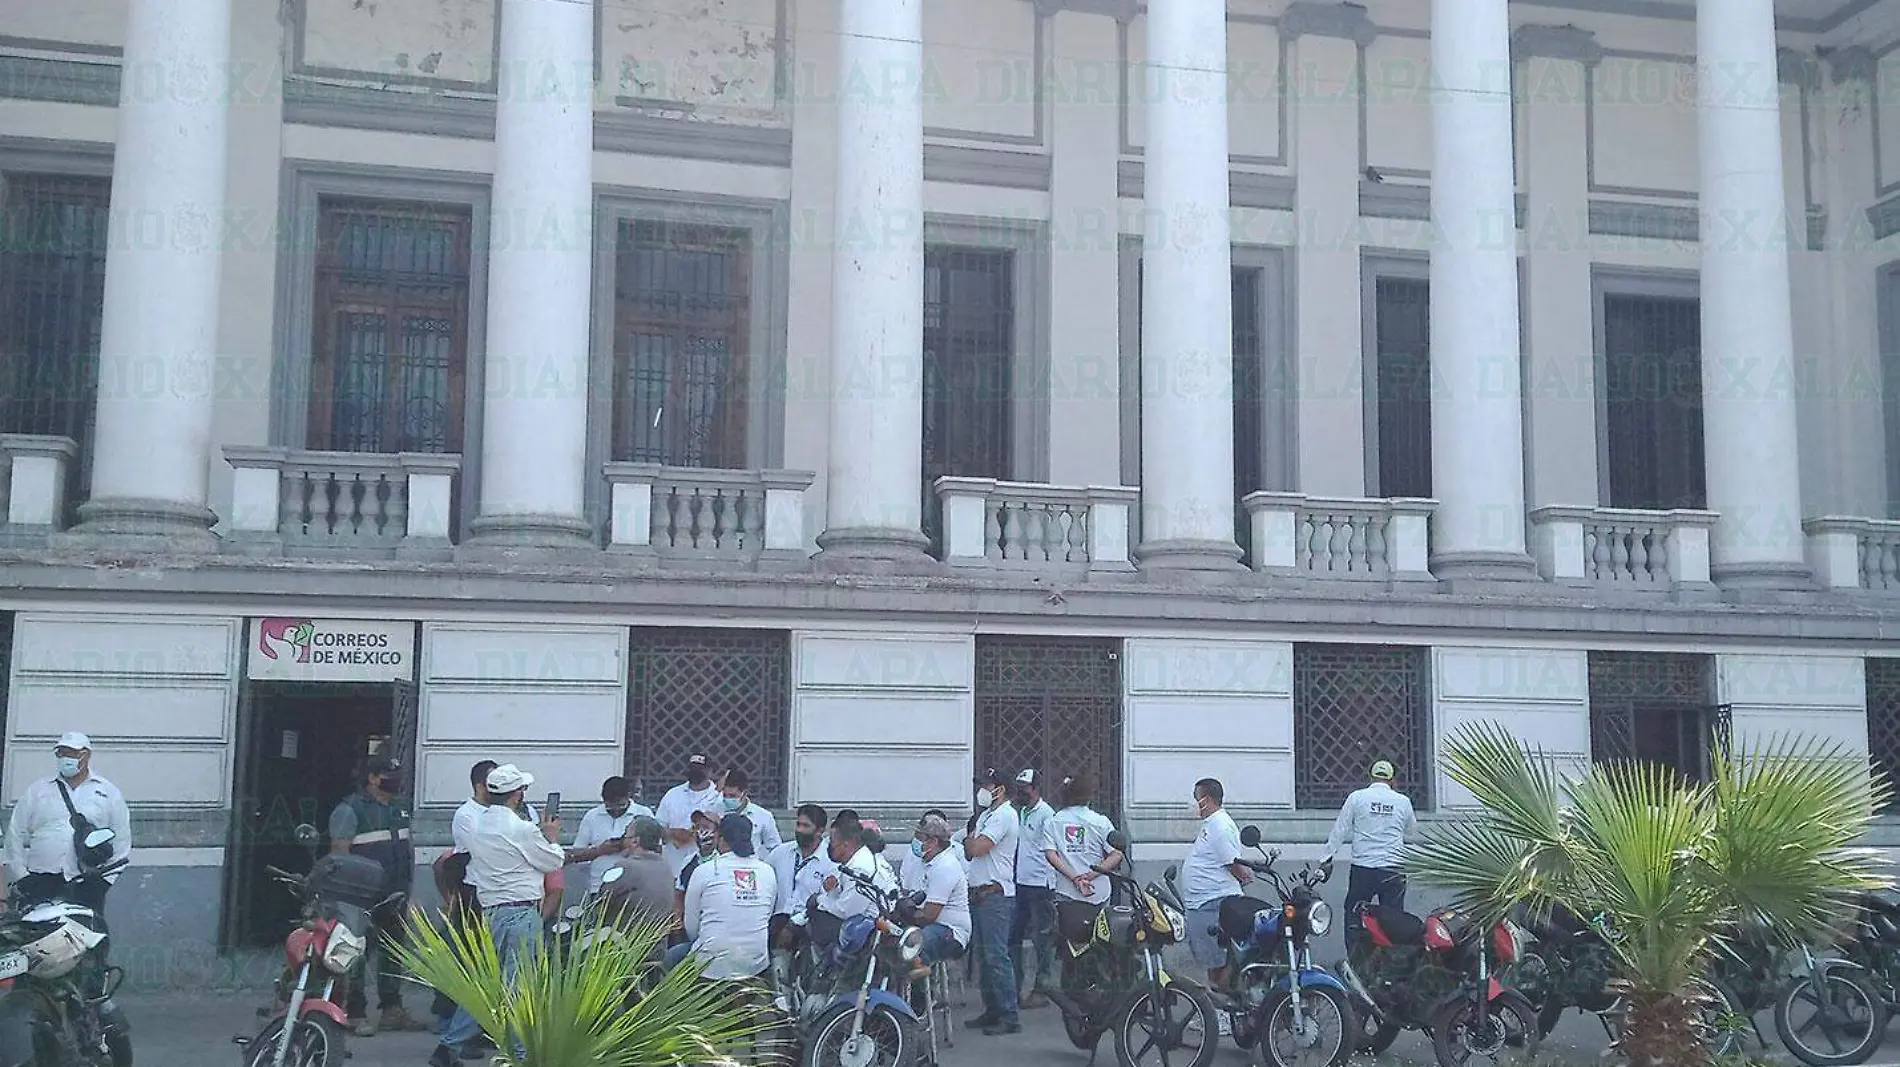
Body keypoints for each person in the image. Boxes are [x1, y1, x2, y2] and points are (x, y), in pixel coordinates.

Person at [430, 764, 564, 1067]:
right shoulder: (521, 829)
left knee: (491, 984)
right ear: (517, 794)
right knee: (518, 988)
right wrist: (552, 835)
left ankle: (450, 1046)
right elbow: (553, 860)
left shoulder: (478, 825)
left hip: (491, 910)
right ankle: (519, 1055)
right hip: (520, 910)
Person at [328, 755, 427, 1037]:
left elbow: (408, 850)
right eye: (387, 774)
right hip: (362, 897)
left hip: (395, 894)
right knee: (357, 953)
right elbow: (340, 855)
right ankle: (354, 1012)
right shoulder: (351, 809)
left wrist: (410, 891)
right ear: (372, 778)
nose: (393, 779)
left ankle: (392, 1010)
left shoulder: (400, 808)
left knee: (393, 953)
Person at [5, 732, 131, 919]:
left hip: (86, 882)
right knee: (35, 937)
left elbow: (122, 840)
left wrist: (104, 882)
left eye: (72, 753)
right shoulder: (38, 790)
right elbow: (15, 834)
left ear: (86, 755)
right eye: (62, 753)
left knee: (84, 938)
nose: (66, 758)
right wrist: (22, 876)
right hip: (40, 880)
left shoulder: (108, 792)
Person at [1320, 759, 1420, 946]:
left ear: (1371, 777)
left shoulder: (1357, 797)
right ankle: (1392, 958)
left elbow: (1340, 829)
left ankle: (1355, 957)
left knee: (1354, 914)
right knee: (1394, 918)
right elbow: (1412, 830)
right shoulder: (1403, 801)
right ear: (1392, 780)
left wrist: (1327, 857)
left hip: (1363, 869)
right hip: (1393, 869)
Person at [666, 813, 777, 980]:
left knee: (673, 956)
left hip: (711, 963)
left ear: (721, 838)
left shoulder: (705, 870)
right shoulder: (767, 871)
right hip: (755, 961)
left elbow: (692, 926)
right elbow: (767, 914)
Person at [1182, 778, 1251, 1014]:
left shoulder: (1220, 825)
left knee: (1218, 961)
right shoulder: (1212, 824)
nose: (1194, 804)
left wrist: (1245, 876)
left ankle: (1220, 1013)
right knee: (1213, 960)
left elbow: (1231, 863)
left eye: (1196, 798)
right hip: (1204, 901)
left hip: (1213, 901)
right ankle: (1216, 1010)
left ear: (1207, 800)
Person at [963, 768, 1022, 1037]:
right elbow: (969, 850)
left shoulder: (1004, 815)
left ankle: (1009, 1014)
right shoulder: (987, 815)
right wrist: (970, 838)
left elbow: (974, 848)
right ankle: (993, 1009)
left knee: (997, 956)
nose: (982, 790)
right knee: (985, 958)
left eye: (987, 785)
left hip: (995, 896)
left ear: (1000, 789)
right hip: (980, 894)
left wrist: (969, 838)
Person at [1010, 769, 1058, 1008]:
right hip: (1020, 882)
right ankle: (1015, 987)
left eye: (1025, 788)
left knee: (1042, 939)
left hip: (1041, 884)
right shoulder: (1018, 813)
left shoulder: (1046, 814)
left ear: (1036, 789)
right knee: (1014, 936)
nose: (1020, 793)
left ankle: (1042, 988)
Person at [567, 777, 651, 897]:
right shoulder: (592, 816)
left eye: (620, 805)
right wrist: (599, 850)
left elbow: (656, 850)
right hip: (599, 886)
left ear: (628, 796)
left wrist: (630, 846)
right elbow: (575, 854)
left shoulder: (643, 814)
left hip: (636, 887)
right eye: (610, 807)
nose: (616, 810)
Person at [596, 816, 682, 927]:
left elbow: (600, 903)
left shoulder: (625, 867)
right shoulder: (666, 868)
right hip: (659, 942)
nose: (622, 840)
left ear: (635, 841)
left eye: (625, 836)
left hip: (625, 941)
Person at [767, 803, 832, 949]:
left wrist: (793, 926)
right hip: (775, 922)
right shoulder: (780, 853)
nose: (799, 830)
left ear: (819, 831)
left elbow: (826, 901)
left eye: (805, 826)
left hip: (808, 927)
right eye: (798, 824)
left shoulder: (829, 860)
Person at [909, 815, 971, 965]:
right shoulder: (925, 863)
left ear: (933, 842)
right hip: (931, 925)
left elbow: (929, 915)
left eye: (919, 837)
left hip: (950, 931)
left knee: (912, 946)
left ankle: (918, 986)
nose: (915, 841)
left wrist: (908, 912)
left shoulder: (945, 866)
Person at [658, 755, 721, 878]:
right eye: (693, 768)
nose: (696, 772)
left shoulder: (718, 798)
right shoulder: (672, 795)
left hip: (706, 869)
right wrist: (673, 833)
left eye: (700, 769)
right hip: (673, 867)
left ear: (710, 771)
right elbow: (658, 826)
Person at [719, 768, 782, 854]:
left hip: (751, 864)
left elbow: (775, 849)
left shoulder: (763, 816)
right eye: (725, 795)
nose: (728, 799)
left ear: (744, 793)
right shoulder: (716, 812)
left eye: (732, 795)